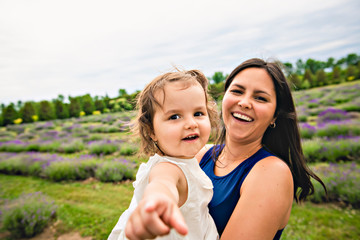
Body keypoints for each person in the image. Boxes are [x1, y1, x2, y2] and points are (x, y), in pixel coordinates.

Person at [123, 58, 327, 240]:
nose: (244, 102)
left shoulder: (272, 173)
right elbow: (165, 179)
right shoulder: (200, 154)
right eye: (237, 91)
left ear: (275, 115)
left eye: (260, 98)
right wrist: (158, 199)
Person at [108, 69, 220, 240]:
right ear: (151, 131)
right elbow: (163, 184)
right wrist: (158, 201)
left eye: (198, 113)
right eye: (175, 116)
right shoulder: (169, 168)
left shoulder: (182, 161)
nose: (191, 123)